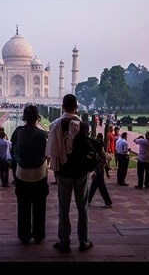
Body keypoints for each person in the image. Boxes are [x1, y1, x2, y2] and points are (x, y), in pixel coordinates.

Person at [46, 94, 94, 253]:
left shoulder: (55, 125)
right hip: (81, 172)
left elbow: (52, 151)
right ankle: (84, 241)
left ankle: (64, 240)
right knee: (82, 208)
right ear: (76, 107)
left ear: (62, 107)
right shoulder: (84, 125)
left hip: (64, 172)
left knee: (64, 208)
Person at [12, 105, 48, 245]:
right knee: (39, 206)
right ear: (37, 117)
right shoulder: (40, 134)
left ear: (24, 117)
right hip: (39, 173)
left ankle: (24, 235)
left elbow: (13, 149)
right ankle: (39, 235)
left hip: (22, 174)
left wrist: (19, 161)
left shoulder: (18, 132)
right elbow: (46, 152)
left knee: (23, 206)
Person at [88, 133, 113, 208]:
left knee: (101, 187)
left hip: (99, 173)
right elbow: (104, 163)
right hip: (100, 172)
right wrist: (107, 172)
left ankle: (108, 202)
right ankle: (88, 201)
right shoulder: (101, 152)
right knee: (94, 187)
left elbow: (100, 164)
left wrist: (95, 173)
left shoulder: (99, 154)